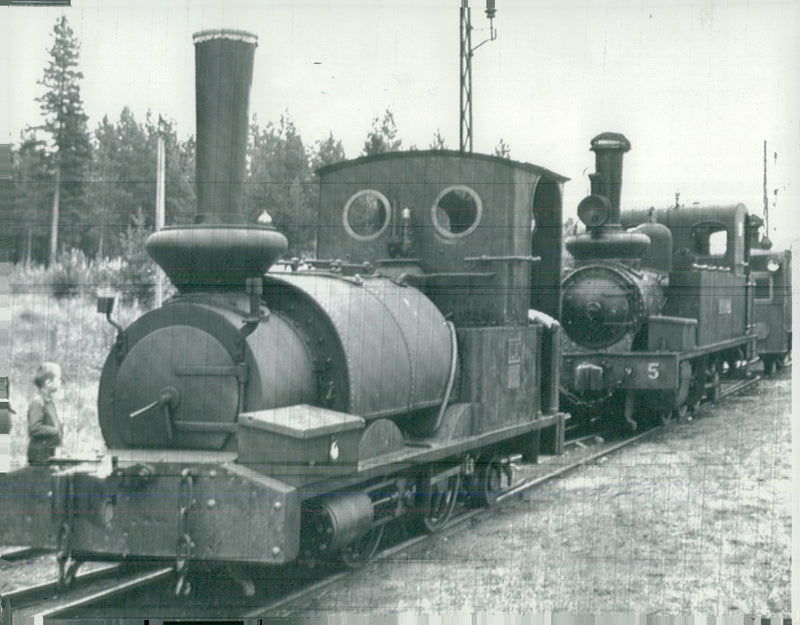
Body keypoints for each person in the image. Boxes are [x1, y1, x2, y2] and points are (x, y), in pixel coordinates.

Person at [27, 362, 63, 465]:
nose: (60, 382)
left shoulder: (49, 401)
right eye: (58, 378)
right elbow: (35, 428)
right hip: (39, 456)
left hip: (49, 453)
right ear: (48, 382)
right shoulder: (38, 402)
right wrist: (56, 430)